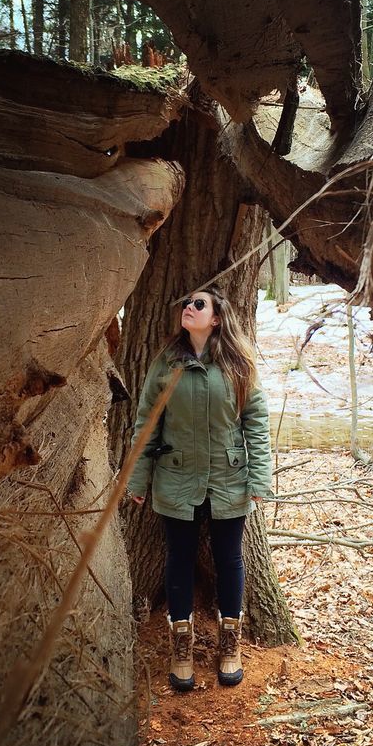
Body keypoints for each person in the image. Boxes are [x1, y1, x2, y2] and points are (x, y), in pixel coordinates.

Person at [126, 289, 272, 691]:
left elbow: (256, 424)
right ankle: (182, 650)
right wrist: (138, 478)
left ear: (218, 318)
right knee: (180, 558)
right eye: (186, 303)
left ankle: (230, 647)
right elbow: (146, 424)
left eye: (199, 304)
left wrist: (259, 479)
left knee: (229, 559)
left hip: (229, 480)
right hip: (176, 479)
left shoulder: (238, 365)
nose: (188, 308)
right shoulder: (166, 363)